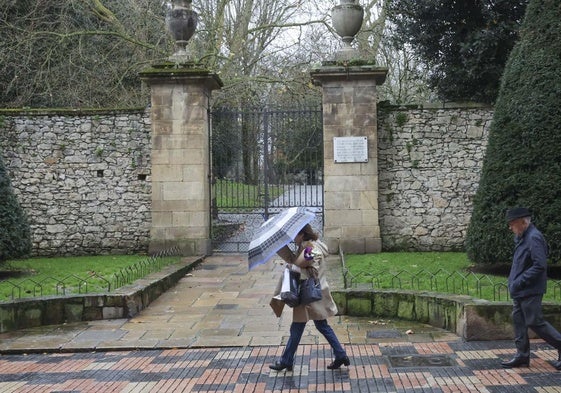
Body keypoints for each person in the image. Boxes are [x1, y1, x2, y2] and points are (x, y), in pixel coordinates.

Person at [269, 224, 350, 372]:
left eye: (295, 235)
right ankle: (340, 355)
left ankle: (286, 361)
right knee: (316, 326)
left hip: (310, 295)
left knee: (299, 327)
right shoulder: (307, 246)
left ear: (302, 234)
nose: (293, 238)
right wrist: (283, 250)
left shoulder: (310, 248)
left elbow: (309, 268)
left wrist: (293, 268)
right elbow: (300, 262)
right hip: (310, 294)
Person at [501, 207, 561, 369]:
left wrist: (519, 281)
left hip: (530, 290)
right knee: (519, 321)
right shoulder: (523, 237)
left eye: (512, 223)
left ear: (523, 222)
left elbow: (539, 266)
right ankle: (522, 355)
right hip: (520, 290)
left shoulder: (534, 237)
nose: (510, 227)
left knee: (535, 321)